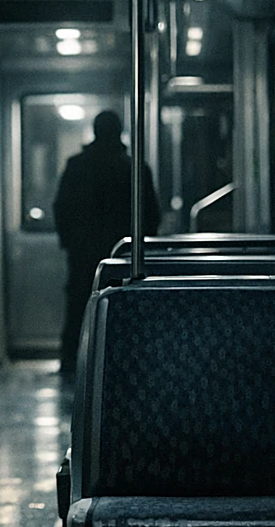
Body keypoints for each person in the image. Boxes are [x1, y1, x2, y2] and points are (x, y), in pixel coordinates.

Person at [53, 110, 160, 378]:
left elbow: (61, 208)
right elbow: (151, 216)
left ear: (95, 132)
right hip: (124, 256)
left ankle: (72, 363)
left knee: (79, 308)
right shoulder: (135, 169)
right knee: (124, 309)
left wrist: (70, 243)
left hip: (83, 253)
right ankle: (123, 364)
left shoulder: (76, 166)